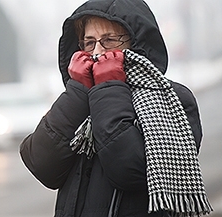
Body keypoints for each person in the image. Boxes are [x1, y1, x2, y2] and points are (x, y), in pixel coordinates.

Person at [19, 0, 213, 216]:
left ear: (136, 43)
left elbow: (130, 171)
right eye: (89, 42)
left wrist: (109, 87)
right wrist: (76, 94)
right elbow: (42, 165)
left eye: (109, 40)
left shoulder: (172, 99)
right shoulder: (80, 96)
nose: (98, 52)